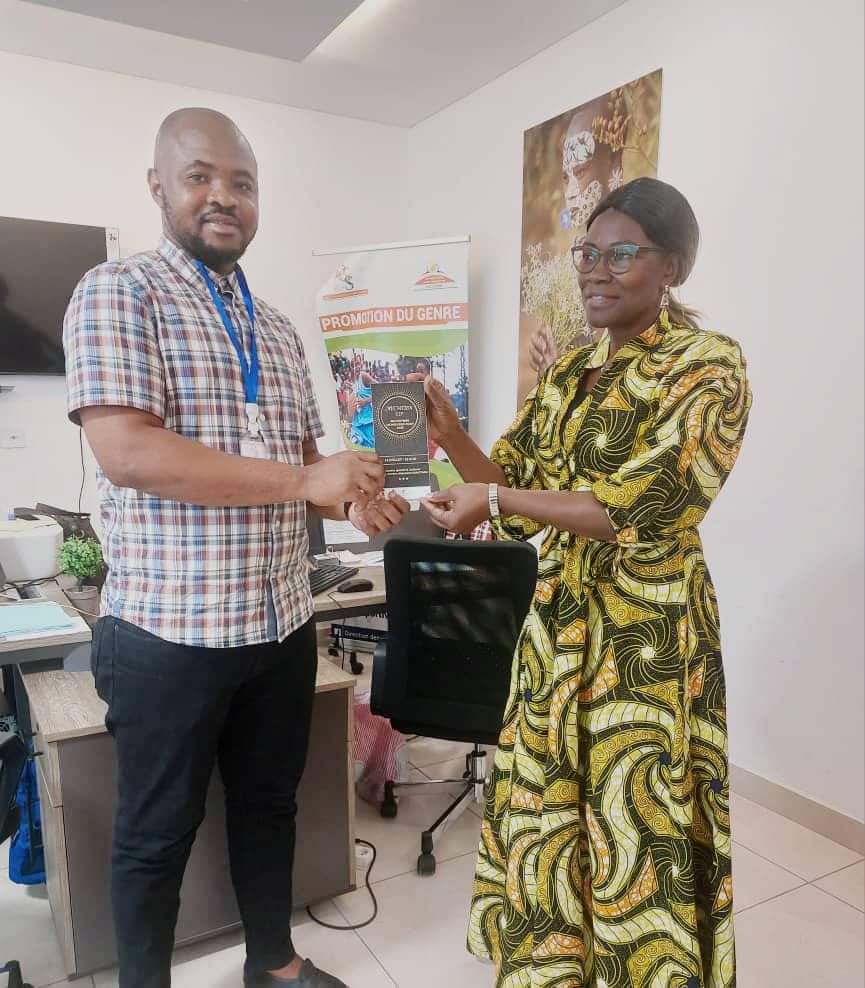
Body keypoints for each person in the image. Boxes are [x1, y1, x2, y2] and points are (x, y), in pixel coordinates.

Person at [63, 107, 409, 988]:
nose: (223, 196)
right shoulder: (119, 292)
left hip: (279, 621)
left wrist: (357, 496)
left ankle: (273, 964)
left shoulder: (278, 327)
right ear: (159, 186)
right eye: (200, 176)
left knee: (268, 807)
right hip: (168, 632)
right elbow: (129, 452)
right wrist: (305, 480)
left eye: (242, 182)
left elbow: (306, 464)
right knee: (154, 835)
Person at [422, 178, 751, 988]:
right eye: (587, 253)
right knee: (548, 811)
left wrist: (495, 500)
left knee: (632, 818)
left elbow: (643, 503)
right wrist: (452, 436)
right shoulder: (571, 372)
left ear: (671, 266)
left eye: (621, 253)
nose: (596, 271)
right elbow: (517, 486)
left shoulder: (706, 366)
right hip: (558, 627)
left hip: (643, 637)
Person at [349, 355, 376, 448]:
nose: (356, 367)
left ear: (361, 364)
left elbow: (382, 390)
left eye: (357, 364)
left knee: (369, 449)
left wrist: (366, 401)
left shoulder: (364, 376)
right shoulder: (352, 379)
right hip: (357, 423)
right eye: (353, 364)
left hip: (369, 421)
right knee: (355, 447)